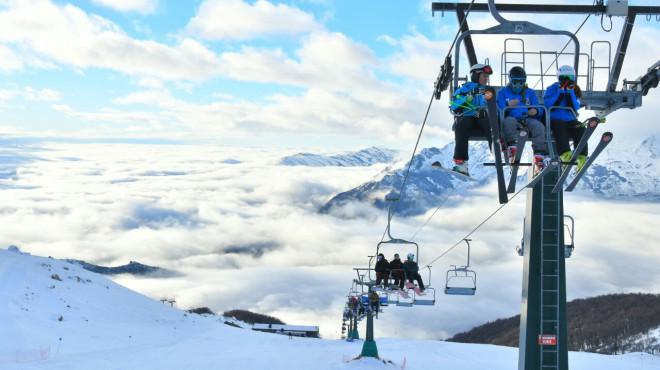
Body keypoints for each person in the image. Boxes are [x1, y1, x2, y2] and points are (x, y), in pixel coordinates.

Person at [497, 66, 549, 172]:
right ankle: (512, 150)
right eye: (515, 81)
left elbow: (538, 107)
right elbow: (498, 108)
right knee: (509, 122)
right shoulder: (503, 92)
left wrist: (535, 111)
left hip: (526, 118)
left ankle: (539, 156)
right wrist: (507, 105)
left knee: (538, 126)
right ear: (510, 80)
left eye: (521, 82)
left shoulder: (529, 92)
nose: (518, 85)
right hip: (512, 118)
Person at [449, 63, 494, 176]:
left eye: (487, 76)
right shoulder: (463, 90)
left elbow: (492, 103)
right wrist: (468, 97)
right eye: (484, 76)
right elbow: (454, 106)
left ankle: (496, 150)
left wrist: (484, 107)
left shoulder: (488, 90)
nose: (486, 79)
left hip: (482, 119)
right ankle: (461, 163)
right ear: (475, 75)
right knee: (462, 123)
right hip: (468, 119)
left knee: (490, 120)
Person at [543, 65, 588, 172]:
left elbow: (576, 106)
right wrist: (560, 91)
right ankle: (565, 153)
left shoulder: (574, 90)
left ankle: (582, 155)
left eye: (570, 78)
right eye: (564, 78)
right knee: (560, 126)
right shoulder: (552, 88)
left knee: (580, 128)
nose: (567, 81)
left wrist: (570, 92)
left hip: (570, 120)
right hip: (555, 119)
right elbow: (548, 104)